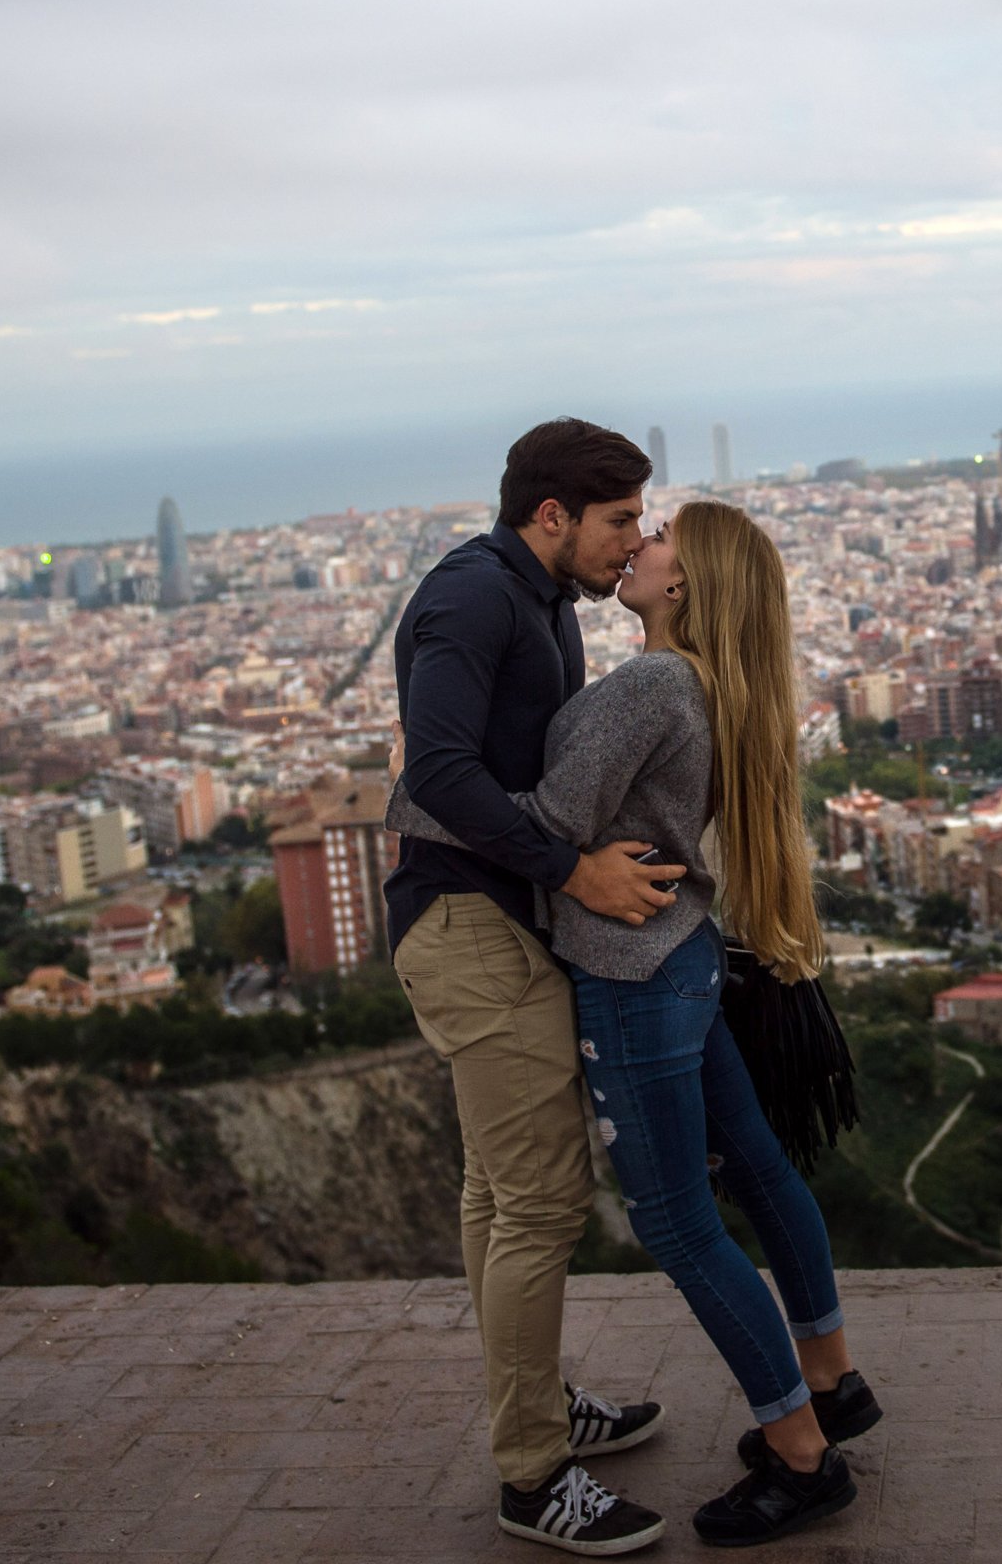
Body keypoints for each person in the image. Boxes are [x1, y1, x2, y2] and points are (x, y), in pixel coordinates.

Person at [392, 499, 881, 1549]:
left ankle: (800, 1453)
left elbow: (553, 823)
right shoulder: (705, 683)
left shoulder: (654, 681)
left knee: (674, 1221)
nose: (639, 544)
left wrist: (430, 794)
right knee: (752, 1163)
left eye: (657, 538)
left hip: (631, 969)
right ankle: (828, 1380)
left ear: (684, 582)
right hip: (682, 953)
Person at [386, 418, 689, 1556]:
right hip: (470, 924)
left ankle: (539, 1408)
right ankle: (530, 1472)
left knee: (493, 1194)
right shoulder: (476, 597)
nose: (634, 541)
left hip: (489, 917)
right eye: (618, 521)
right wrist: (573, 869)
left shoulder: (541, 602)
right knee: (545, 1201)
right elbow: (441, 768)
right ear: (551, 516)